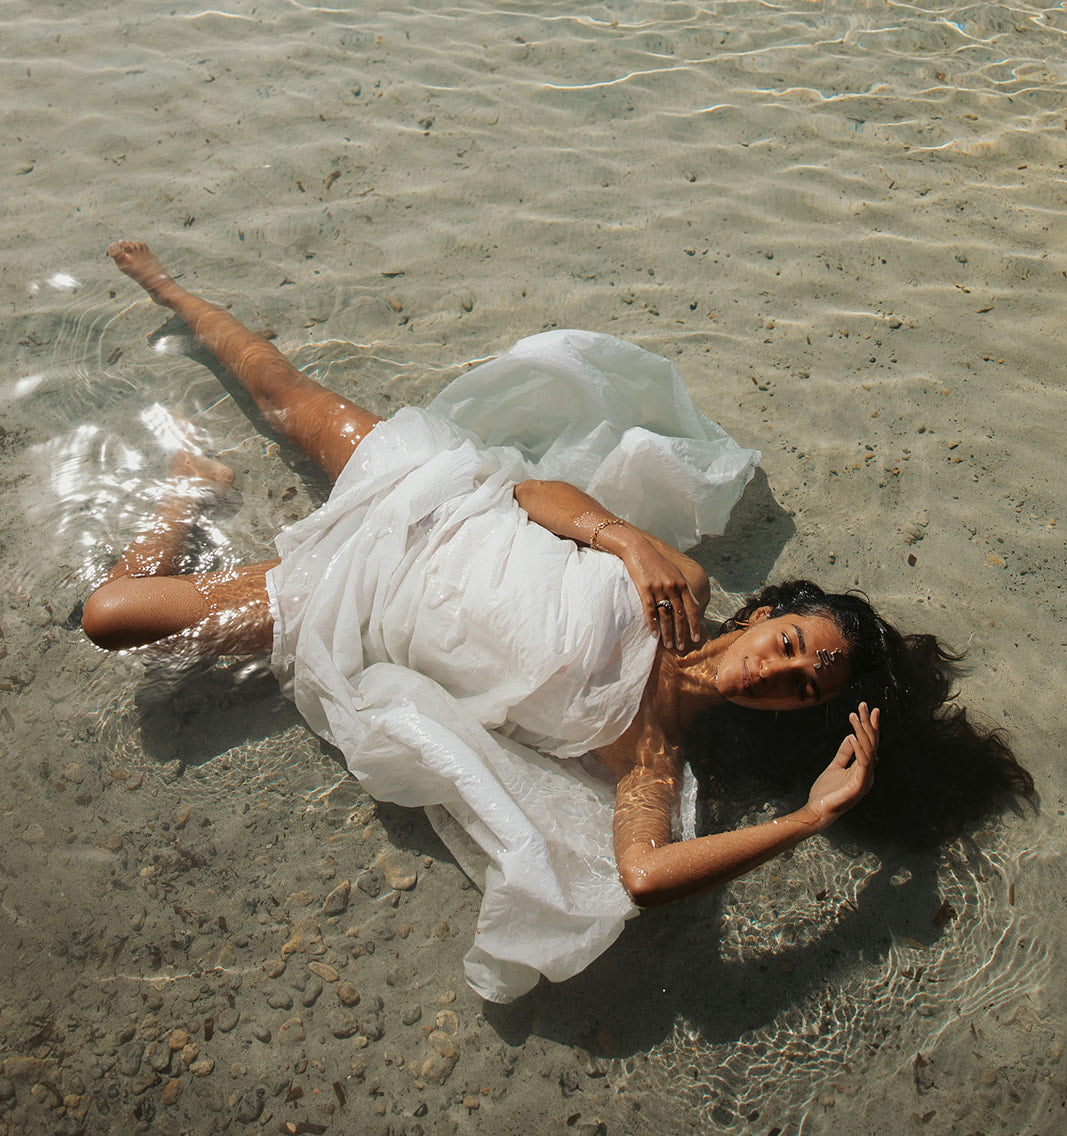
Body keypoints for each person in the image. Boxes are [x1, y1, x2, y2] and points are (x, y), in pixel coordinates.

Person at [83, 242, 1032, 1002]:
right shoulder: (678, 587)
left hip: (351, 609)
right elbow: (530, 492)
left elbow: (643, 877)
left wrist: (810, 817)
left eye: (799, 691)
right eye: (789, 647)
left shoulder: (651, 752)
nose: (775, 676)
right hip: (435, 501)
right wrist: (622, 535)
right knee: (280, 394)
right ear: (771, 614)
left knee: (111, 615)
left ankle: (183, 497)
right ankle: (169, 285)